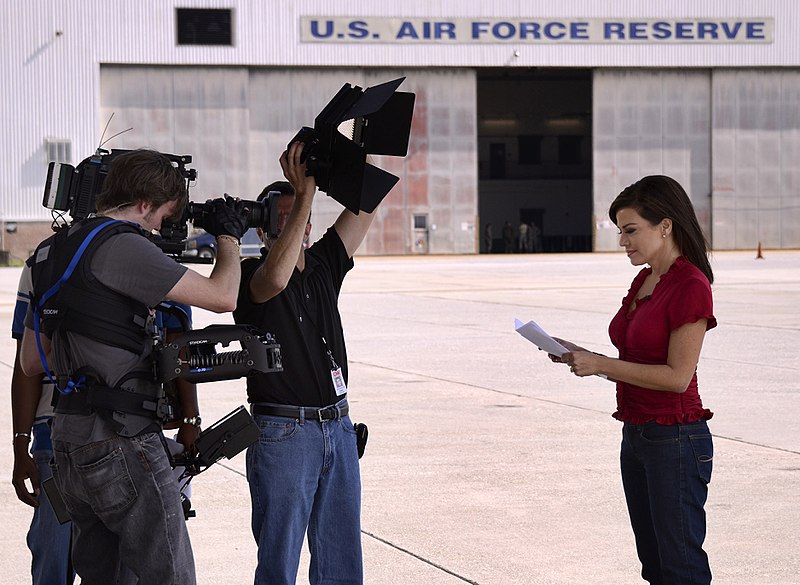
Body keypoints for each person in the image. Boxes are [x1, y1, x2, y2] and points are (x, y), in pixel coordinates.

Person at [19, 148, 249, 585]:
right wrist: (229, 237)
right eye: (161, 216)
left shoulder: (49, 252)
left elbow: (32, 361)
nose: (159, 228)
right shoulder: (122, 246)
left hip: (69, 445)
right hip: (122, 441)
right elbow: (224, 297)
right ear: (143, 204)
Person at [550, 175, 716, 585]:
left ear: (665, 225)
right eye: (620, 232)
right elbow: (636, 362)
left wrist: (602, 364)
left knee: (681, 568)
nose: (623, 241)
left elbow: (677, 378)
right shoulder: (644, 281)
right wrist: (579, 355)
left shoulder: (690, 285)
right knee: (655, 564)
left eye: (630, 230)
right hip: (637, 436)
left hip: (675, 439)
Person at [233, 142, 375, 585]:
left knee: (341, 562)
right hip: (284, 433)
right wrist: (306, 195)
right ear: (263, 232)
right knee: (279, 564)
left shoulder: (323, 265)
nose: (300, 224)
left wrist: (356, 152)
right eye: (285, 218)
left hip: (338, 426)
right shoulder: (246, 274)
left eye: (303, 217)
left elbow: (366, 204)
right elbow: (274, 279)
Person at [11, 262, 75, 585]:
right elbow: (26, 365)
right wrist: (21, 445)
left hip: (123, 437)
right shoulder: (43, 262)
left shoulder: (143, 254)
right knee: (53, 558)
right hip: (54, 439)